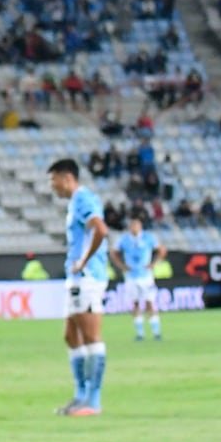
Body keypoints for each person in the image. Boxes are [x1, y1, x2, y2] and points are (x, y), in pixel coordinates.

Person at [47, 158, 110, 417]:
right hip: (76, 278)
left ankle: (93, 401)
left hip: (88, 277)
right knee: (71, 335)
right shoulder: (76, 202)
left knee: (91, 335)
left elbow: (101, 230)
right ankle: (81, 395)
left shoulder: (84, 199)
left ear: (67, 178)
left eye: (54, 180)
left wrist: (84, 260)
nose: (52, 186)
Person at [111, 216, 166, 341]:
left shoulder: (148, 237)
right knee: (135, 304)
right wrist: (122, 266)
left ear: (141, 227)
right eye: (132, 225)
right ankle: (140, 333)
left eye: (137, 225)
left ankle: (156, 332)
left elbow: (162, 250)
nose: (134, 228)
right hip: (131, 277)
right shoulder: (124, 239)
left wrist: (154, 264)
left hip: (146, 276)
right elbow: (113, 253)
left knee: (150, 303)